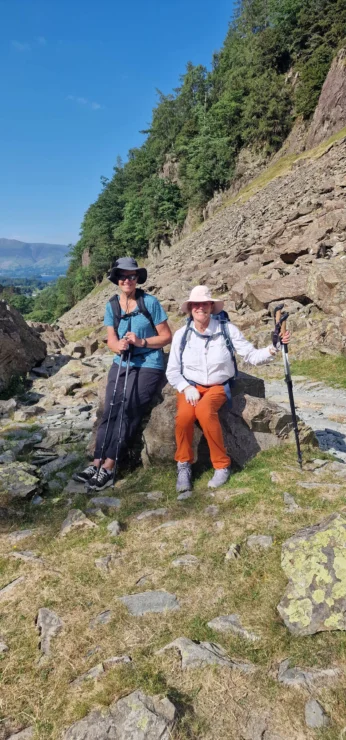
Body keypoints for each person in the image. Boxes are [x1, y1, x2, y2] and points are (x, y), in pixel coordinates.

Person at [166, 285, 290, 492]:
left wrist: (273, 347)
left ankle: (222, 466)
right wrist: (186, 387)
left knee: (205, 411)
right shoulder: (181, 335)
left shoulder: (226, 329)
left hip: (218, 386)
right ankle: (183, 465)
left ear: (211, 306)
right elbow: (172, 371)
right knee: (184, 417)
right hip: (190, 385)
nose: (200, 308)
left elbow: (250, 356)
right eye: (196, 304)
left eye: (204, 304)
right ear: (190, 308)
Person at [75, 257, 172, 490]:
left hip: (149, 363)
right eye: (122, 276)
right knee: (110, 408)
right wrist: (117, 346)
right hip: (122, 361)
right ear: (117, 279)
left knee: (129, 407)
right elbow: (111, 338)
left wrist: (141, 341)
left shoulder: (150, 302)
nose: (127, 280)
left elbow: (166, 336)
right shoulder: (112, 305)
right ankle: (96, 461)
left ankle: (109, 466)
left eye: (131, 276)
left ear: (137, 279)